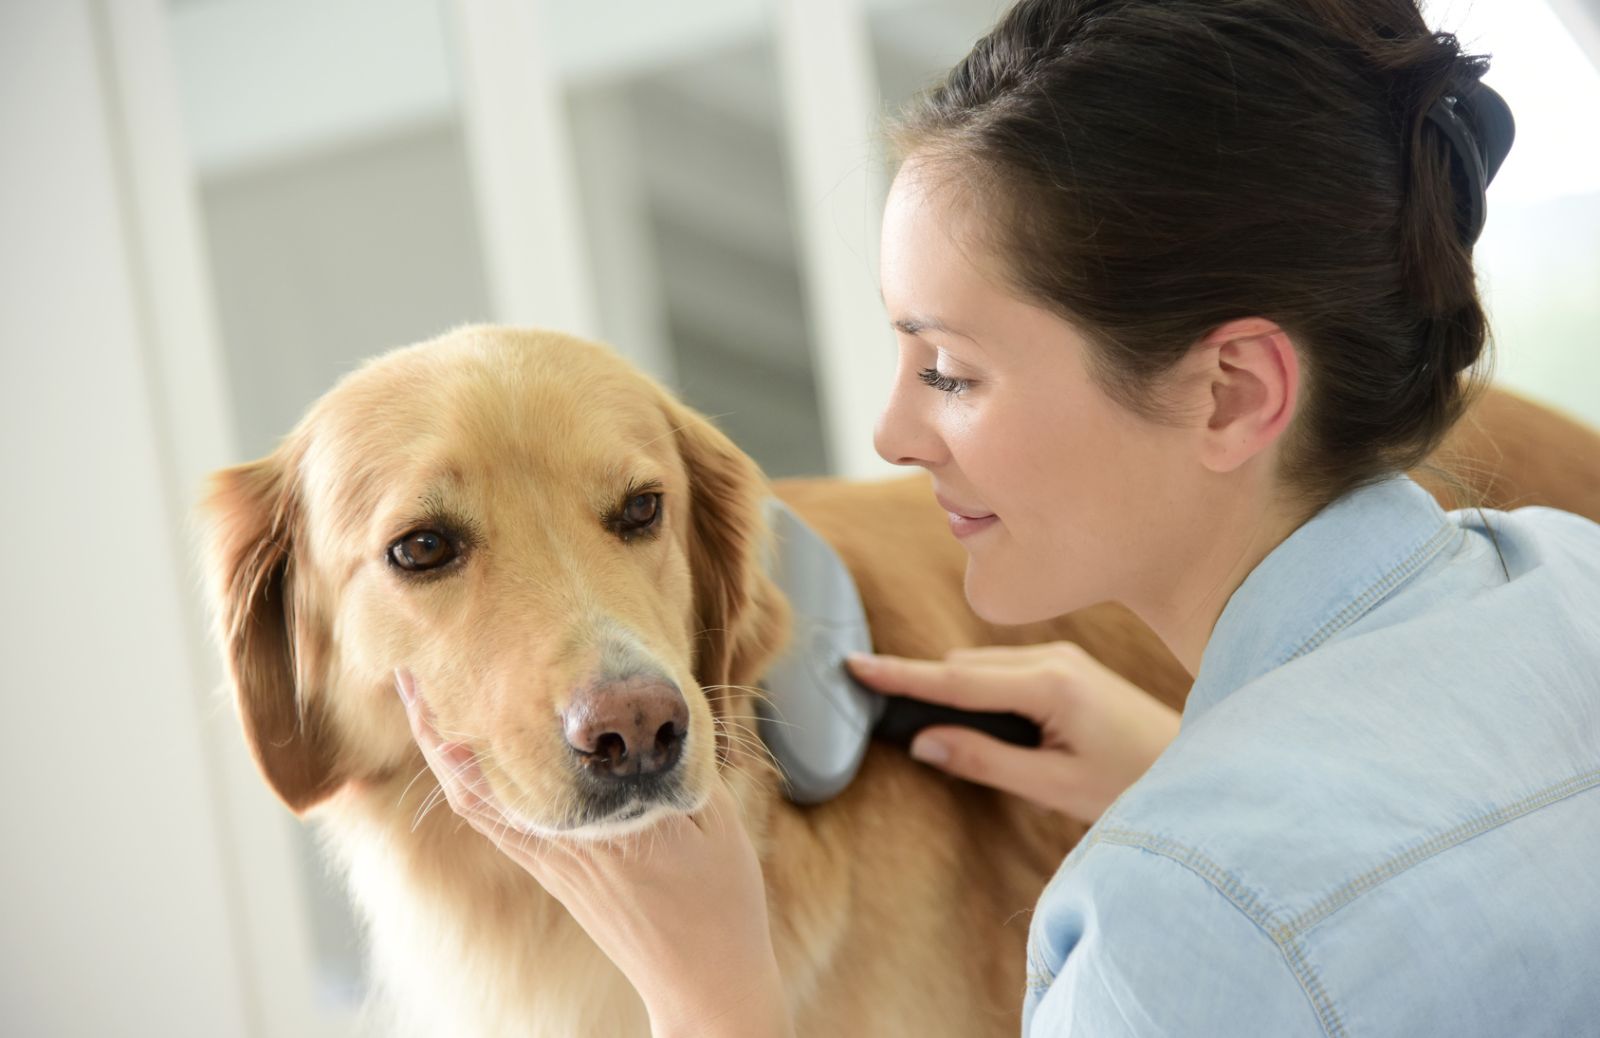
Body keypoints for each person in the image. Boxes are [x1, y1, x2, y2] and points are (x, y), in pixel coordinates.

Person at [396, 0, 1600, 1034]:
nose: (891, 435)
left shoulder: (1165, 933)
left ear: (1231, 392)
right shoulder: (1575, 574)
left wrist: (713, 999)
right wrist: (1182, 776)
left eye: (952, 372)